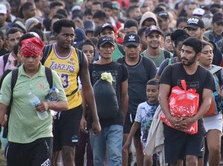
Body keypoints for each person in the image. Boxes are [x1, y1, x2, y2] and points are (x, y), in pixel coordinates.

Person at [0, 37, 69, 166]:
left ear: (41, 56)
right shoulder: (11, 77)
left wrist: (48, 105)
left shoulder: (50, 75)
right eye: (27, 56)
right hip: (16, 138)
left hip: (42, 136)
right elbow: (1, 107)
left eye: (34, 56)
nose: (30, 60)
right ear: (21, 56)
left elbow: (64, 104)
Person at [42, 19, 101, 166]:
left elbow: (87, 88)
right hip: (49, 107)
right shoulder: (46, 52)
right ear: (56, 34)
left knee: (69, 152)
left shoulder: (80, 57)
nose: (69, 39)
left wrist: (95, 119)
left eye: (72, 35)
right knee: (50, 153)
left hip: (72, 106)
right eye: (65, 35)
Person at [159, 37, 214, 166]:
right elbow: (162, 96)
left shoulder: (206, 75)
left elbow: (207, 101)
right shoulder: (170, 70)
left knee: (192, 160)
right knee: (175, 162)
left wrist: (193, 119)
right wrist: (170, 118)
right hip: (172, 123)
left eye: (188, 52)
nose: (183, 55)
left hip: (194, 124)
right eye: (182, 51)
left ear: (198, 55)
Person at [117, 33, 157, 166]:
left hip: (145, 111)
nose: (132, 50)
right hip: (125, 110)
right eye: (129, 47)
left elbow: (155, 85)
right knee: (124, 144)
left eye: (135, 47)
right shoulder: (119, 64)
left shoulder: (147, 64)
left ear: (140, 47)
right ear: (124, 48)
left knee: (141, 146)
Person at [89, 36, 128, 166]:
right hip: (95, 119)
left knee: (115, 156)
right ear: (98, 50)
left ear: (114, 48)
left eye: (110, 46)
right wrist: (84, 116)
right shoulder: (90, 69)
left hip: (115, 119)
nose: (107, 49)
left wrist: (122, 115)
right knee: (98, 158)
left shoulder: (121, 68)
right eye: (104, 47)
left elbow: (124, 95)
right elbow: (85, 94)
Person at [198, 41, 223, 166]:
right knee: (199, 153)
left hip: (214, 114)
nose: (209, 55)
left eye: (211, 52)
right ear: (198, 55)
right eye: (205, 53)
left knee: (215, 149)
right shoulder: (191, 71)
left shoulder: (219, 71)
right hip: (196, 116)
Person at [123, 79, 160, 166]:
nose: (150, 93)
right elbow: (136, 123)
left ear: (159, 91)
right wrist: (128, 141)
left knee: (159, 161)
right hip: (146, 139)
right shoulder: (142, 107)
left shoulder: (162, 106)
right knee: (147, 160)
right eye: (148, 91)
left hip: (159, 139)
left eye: (153, 91)